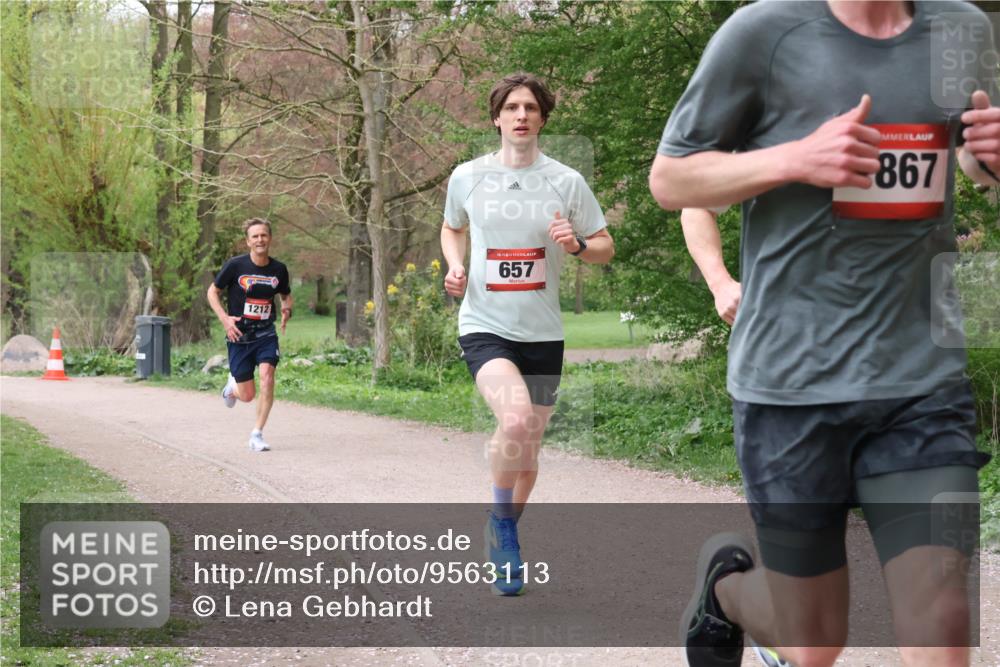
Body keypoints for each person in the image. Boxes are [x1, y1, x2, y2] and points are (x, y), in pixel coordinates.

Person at [649, 1, 998, 666]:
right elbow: (670, 179)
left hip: (920, 376)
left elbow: (970, 158)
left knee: (943, 620)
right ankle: (725, 593)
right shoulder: (763, 32)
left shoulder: (963, 28)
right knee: (812, 642)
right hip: (791, 382)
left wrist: (987, 161)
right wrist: (796, 158)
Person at [441, 72, 614, 595]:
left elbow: (605, 246)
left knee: (528, 452)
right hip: (484, 325)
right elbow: (452, 226)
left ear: (542, 118)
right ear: (497, 118)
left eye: (531, 108)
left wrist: (577, 244)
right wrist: (456, 265)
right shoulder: (468, 176)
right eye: (512, 107)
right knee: (515, 420)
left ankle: (504, 528)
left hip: (542, 332)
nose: (521, 115)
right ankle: (502, 527)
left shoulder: (566, 181)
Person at [207, 218, 292, 453]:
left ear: (270, 238)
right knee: (246, 396)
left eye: (263, 235)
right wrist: (225, 319)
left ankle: (257, 434)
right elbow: (212, 292)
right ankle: (231, 388)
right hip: (239, 336)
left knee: (267, 377)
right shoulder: (235, 266)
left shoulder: (279, 269)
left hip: (266, 334)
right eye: (255, 236)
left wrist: (287, 309)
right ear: (248, 241)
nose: (260, 240)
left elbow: (285, 294)